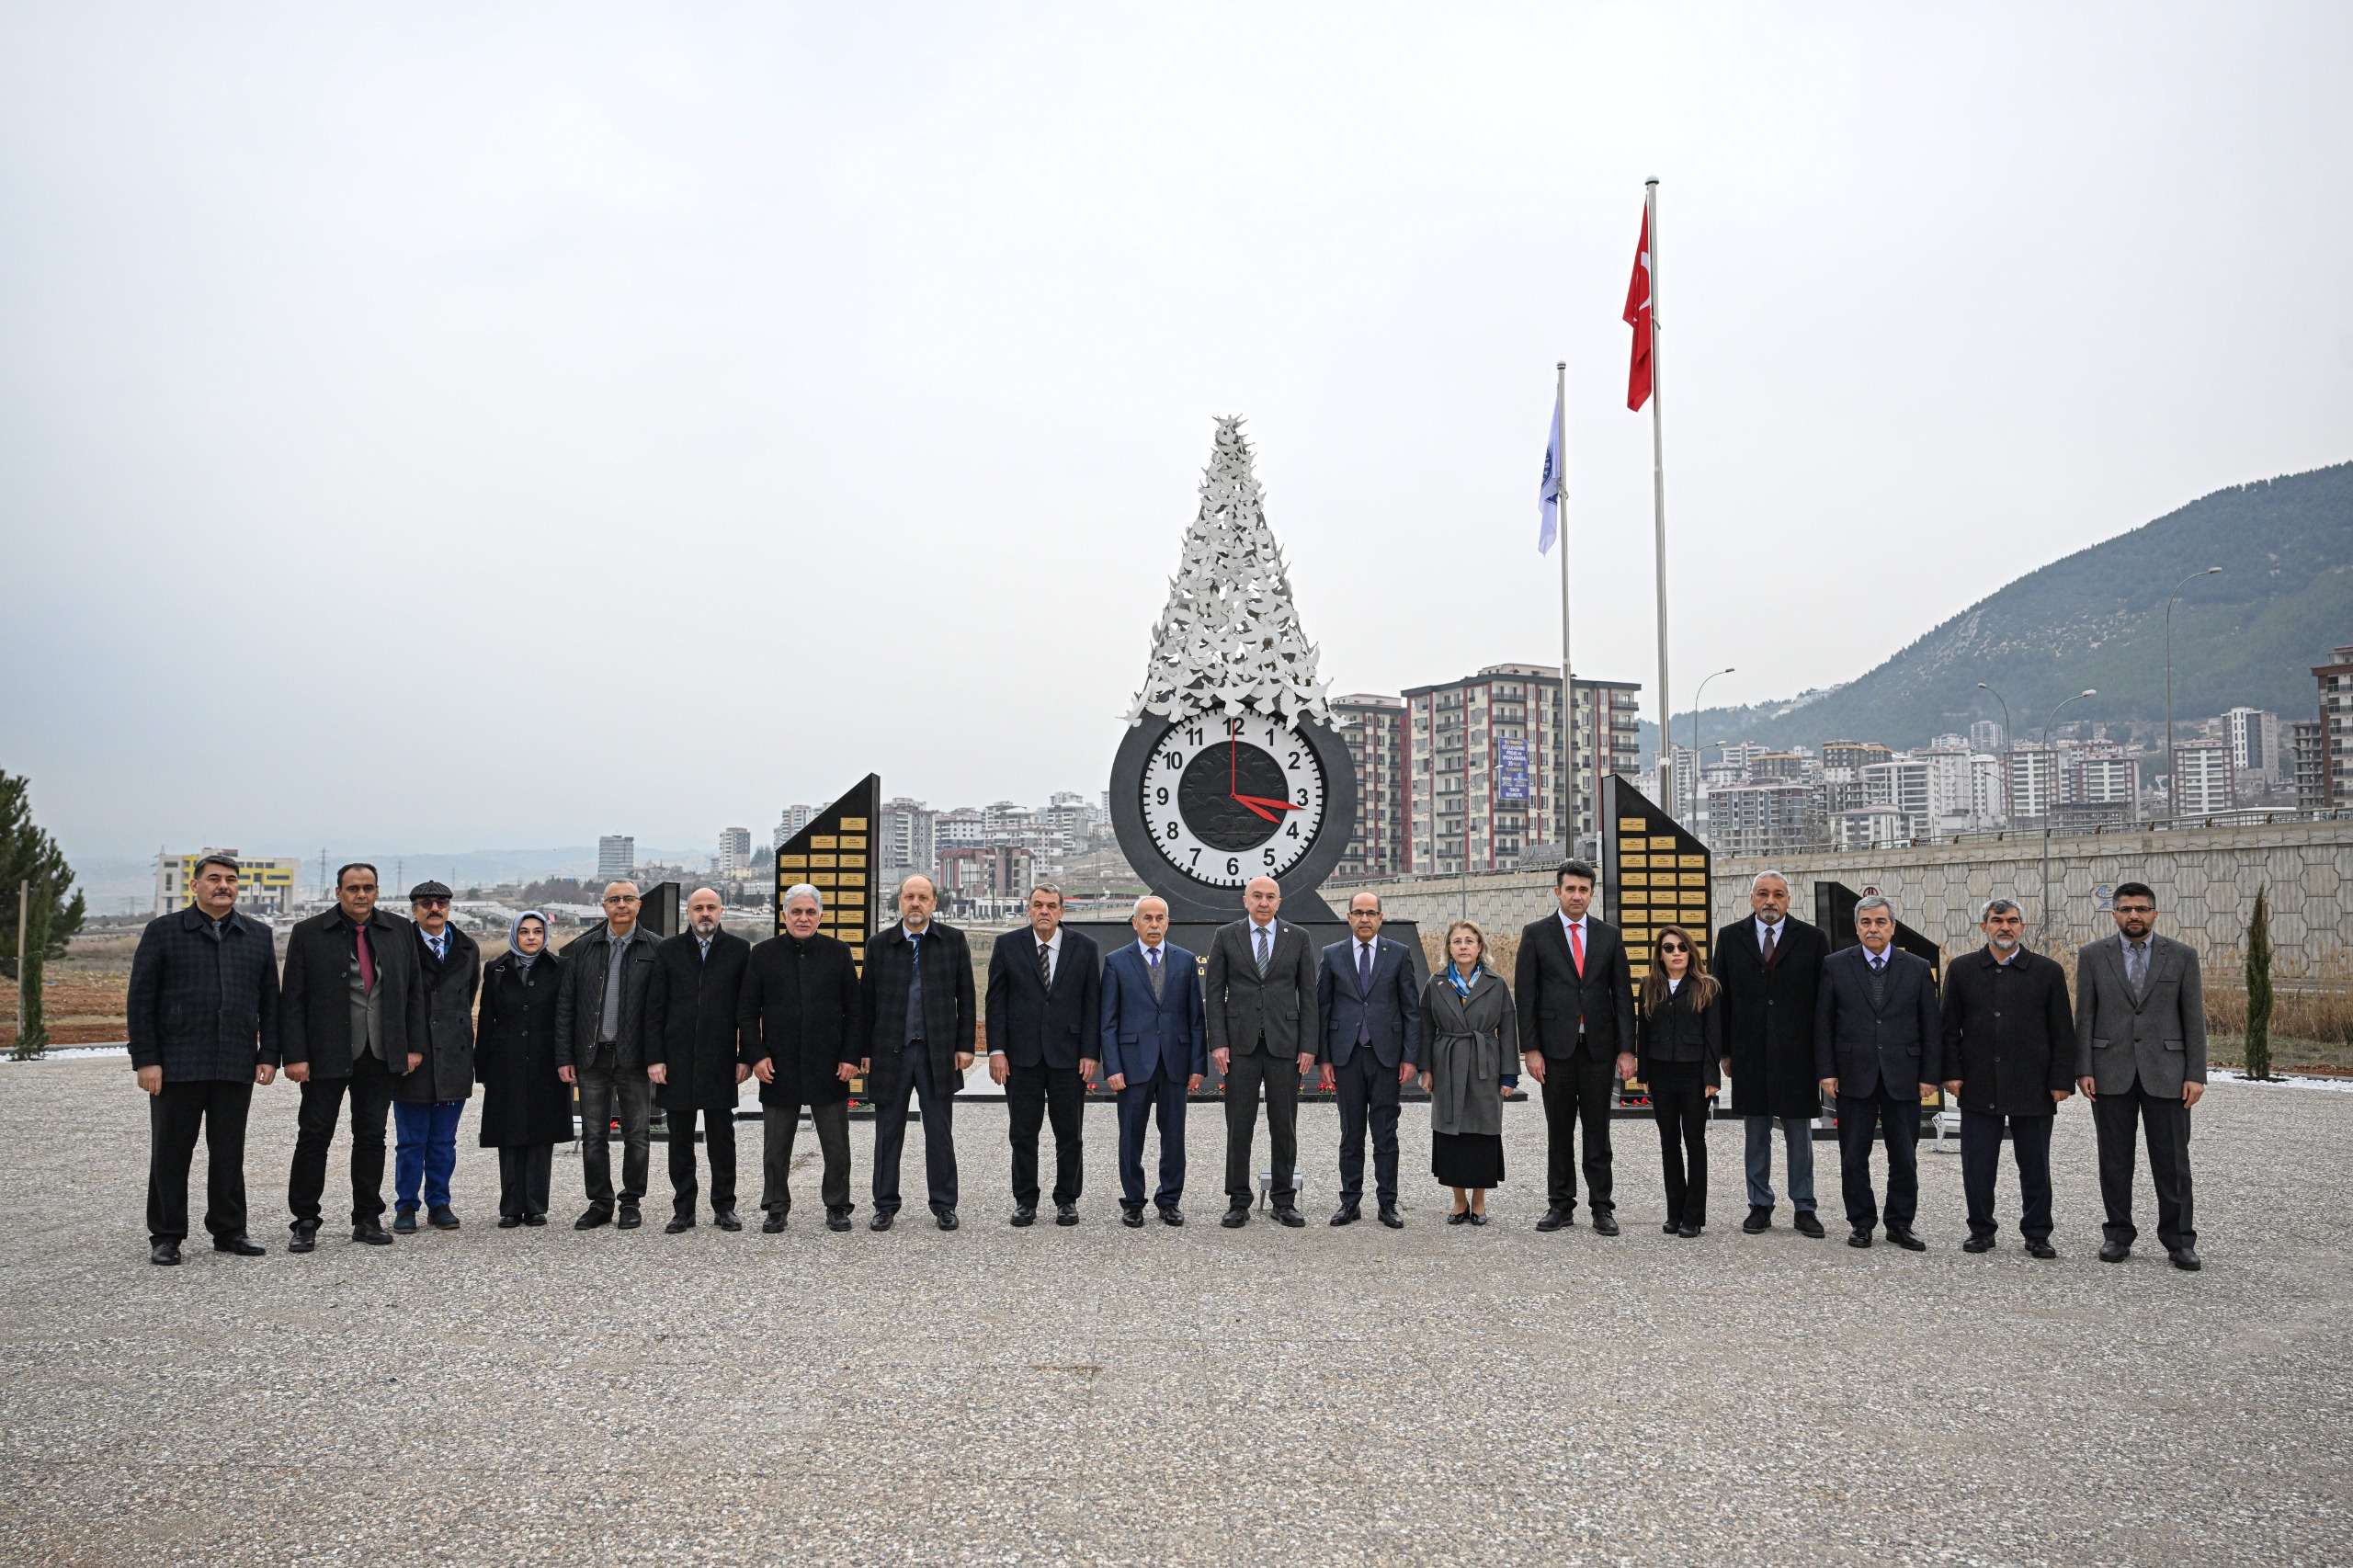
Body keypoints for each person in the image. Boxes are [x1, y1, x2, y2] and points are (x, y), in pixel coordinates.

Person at [126, 853, 278, 1265]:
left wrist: (268, 1055)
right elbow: (140, 1001)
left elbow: (271, 1004)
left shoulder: (257, 936)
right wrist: (146, 1059)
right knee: (171, 1151)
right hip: (177, 1063)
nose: (223, 886)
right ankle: (167, 1234)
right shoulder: (164, 932)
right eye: (214, 879)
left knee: (229, 1151)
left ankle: (230, 1230)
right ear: (195, 886)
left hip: (235, 1060)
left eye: (230, 879)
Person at [280, 862, 424, 1250]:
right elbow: (292, 999)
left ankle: (367, 1217)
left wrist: (412, 1046)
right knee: (314, 1137)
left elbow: (412, 993)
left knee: (371, 1137)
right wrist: (294, 1055)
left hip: (378, 1054)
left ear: (377, 891)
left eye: (369, 888)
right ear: (338, 892)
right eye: (353, 888)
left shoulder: (398, 931)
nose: (361, 895)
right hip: (324, 1055)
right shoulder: (308, 933)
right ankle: (305, 1221)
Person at [2075, 881, 2207, 1270]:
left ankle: (2180, 1240)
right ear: (2114, 914)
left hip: (2167, 1073)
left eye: (2142, 909)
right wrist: (2084, 1067)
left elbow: (2193, 1020)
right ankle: (2117, 1234)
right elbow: (2085, 1015)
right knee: (2114, 1160)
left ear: (2155, 913)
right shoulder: (2093, 956)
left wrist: (2195, 1073)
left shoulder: (2182, 956)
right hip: (2109, 1071)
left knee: (2172, 1162)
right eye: (2127, 909)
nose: (2135, 915)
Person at [1940, 898, 2074, 1258]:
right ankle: (1981, 1230)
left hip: (2033, 1083)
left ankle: (2037, 1233)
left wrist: (2062, 1078)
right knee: (1978, 1163)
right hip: (1979, 1081)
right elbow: (1948, 1028)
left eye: (2012, 921)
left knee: (2035, 1165)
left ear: (2022, 927)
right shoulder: (1963, 969)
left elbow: (2062, 1030)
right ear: (1983, 927)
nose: (2005, 927)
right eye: (1997, 920)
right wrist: (1951, 1072)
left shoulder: (2047, 971)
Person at [1516, 860, 1636, 1235]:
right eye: (1570, 889)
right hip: (1556, 1051)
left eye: (1584, 890)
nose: (1577, 896)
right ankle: (1560, 1205)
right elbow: (1527, 996)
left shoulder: (1609, 936)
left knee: (1598, 1131)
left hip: (1599, 1050)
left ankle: (1602, 1206)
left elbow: (1622, 995)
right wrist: (1531, 1050)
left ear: (1591, 893)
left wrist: (1627, 1049)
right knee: (1560, 1130)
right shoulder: (1536, 934)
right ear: (1558, 892)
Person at [1814, 894, 1941, 1250]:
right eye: (1866, 922)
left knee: (1905, 1156)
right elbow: (1823, 1023)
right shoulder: (1835, 965)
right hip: (1854, 1074)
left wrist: (1930, 1074)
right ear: (1857, 928)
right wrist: (1827, 1070)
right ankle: (1861, 1222)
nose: (1873, 928)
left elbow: (1931, 1025)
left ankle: (1900, 1224)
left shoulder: (1916, 967)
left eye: (1880, 922)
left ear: (1893, 927)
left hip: (1904, 1076)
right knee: (1853, 1155)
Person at [739, 884, 862, 1233]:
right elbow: (747, 1013)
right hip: (778, 1065)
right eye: (796, 912)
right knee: (776, 1145)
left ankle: (837, 1205)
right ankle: (776, 1206)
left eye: (810, 912)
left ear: (820, 916)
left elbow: (854, 1011)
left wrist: (850, 1055)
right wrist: (757, 1055)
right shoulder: (762, 954)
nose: (803, 918)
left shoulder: (838, 953)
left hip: (830, 1064)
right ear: (784, 916)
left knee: (836, 1145)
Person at [1714, 870, 1828, 1237]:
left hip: (1797, 1055)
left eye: (1778, 894)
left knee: (1799, 1135)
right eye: (1763, 894)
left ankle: (1804, 1206)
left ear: (1788, 900)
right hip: (1749, 1053)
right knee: (1756, 1133)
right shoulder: (1730, 938)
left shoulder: (1812, 940)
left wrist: (1821, 1057)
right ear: (1751, 899)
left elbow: (1822, 1003)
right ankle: (1759, 1204)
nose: (1770, 901)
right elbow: (1722, 999)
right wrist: (1726, 1052)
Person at [861, 874, 976, 1231]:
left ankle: (944, 1204)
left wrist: (965, 1045)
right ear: (899, 901)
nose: (915, 903)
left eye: (922, 897)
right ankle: (885, 1204)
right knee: (888, 1132)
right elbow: (866, 1004)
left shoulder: (953, 941)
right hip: (889, 1053)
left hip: (936, 1052)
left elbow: (967, 997)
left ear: (934, 902)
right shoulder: (880, 944)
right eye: (909, 896)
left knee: (939, 1132)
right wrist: (864, 1050)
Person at [1204, 875, 1319, 1228]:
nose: (1264, 903)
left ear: (1279, 902)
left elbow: (1309, 996)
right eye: (1257, 896)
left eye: (1270, 897)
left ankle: (1284, 1201)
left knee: (1283, 1125)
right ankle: (1238, 1200)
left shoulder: (1298, 938)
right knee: (1239, 1125)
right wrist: (1218, 1043)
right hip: (1239, 1046)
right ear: (1245, 901)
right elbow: (1214, 993)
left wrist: (1308, 1045)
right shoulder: (1226, 936)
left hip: (1285, 1044)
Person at [985, 883, 1101, 1226]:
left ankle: (1067, 1199)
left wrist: (1090, 1052)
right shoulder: (1007, 945)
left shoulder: (1084, 947)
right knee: (1023, 1133)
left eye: (1051, 905)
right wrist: (997, 1050)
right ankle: (1025, 1200)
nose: (1045, 911)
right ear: (1029, 909)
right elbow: (996, 1003)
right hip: (1021, 1058)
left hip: (1068, 1056)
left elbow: (1092, 1004)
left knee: (1069, 1134)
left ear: (1062, 911)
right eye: (1038, 905)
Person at [554, 881, 661, 1231]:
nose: (621, 905)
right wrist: (564, 1056)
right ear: (604, 907)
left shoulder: (656, 948)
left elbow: (663, 1008)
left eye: (628, 899)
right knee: (594, 1134)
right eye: (614, 900)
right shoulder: (584, 948)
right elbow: (566, 1005)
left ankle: (631, 1202)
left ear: (639, 905)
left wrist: (658, 1055)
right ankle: (599, 1203)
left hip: (635, 1058)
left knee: (637, 1134)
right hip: (592, 1057)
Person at [647, 888, 752, 1233]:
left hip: (720, 1060)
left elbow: (747, 1011)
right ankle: (683, 1209)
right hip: (676, 1060)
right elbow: (655, 1009)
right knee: (679, 1138)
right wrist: (656, 1058)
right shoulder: (669, 950)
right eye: (698, 908)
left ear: (721, 911)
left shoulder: (738, 950)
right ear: (687, 912)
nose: (704, 913)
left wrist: (744, 1057)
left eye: (710, 907)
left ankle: (725, 1207)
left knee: (721, 1136)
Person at [1314, 892, 1422, 1228]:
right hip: (1346, 1057)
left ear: (1380, 917)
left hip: (1386, 1057)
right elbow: (1322, 1008)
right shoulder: (1333, 955)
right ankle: (1350, 1202)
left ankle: (1387, 1203)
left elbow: (1411, 1010)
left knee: (1386, 1133)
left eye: (1370, 913)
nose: (1364, 919)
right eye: (1358, 913)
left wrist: (1410, 1057)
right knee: (1351, 1133)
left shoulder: (1399, 954)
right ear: (1348, 917)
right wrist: (1325, 1058)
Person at [1099, 895, 1207, 1226]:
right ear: (1135, 923)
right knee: (1131, 1136)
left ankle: (1169, 1200)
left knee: (1173, 1135)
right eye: (1147, 918)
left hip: (1174, 1062)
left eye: (1160, 918)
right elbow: (1108, 1021)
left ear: (1168, 923)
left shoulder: (1186, 960)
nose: (1154, 924)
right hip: (1132, 1065)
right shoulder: (1117, 962)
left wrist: (1197, 1065)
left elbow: (1195, 1018)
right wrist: (1113, 1067)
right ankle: (1133, 1201)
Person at [474, 910, 572, 1227]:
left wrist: (565, 1059)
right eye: (525, 932)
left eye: (537, 932)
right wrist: (483, 1067)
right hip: (506, 1061)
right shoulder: (496, 969)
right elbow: (487, 1019)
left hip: (546, 1062)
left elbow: (565, 1017)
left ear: (545, 937)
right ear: (514, 935)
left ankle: (535, 1206)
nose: (531, 937)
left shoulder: (560, 968)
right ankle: (510, 1207)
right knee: (510, 1132)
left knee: (541, 1135)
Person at [392, 881, 479, 1233]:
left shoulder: (468, 947)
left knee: (443, 1141)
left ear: (449, 908)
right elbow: (395, 1002)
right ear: (414, 909)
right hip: (415, 1056)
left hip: (454, 1057)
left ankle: (439, 1202)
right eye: (426, 903)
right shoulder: (400, 946)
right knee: (411, 1141)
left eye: (441, 902)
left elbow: (467, 996)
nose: (434, 908)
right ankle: (406, 1206)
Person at [1416, 920, 1516, 1225]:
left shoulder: (1495, 983)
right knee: (1451, 1132)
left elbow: (1509, 1030)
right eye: (1457, 941)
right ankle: (1459, 1201)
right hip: (1447, 1063)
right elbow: (1425, 1029)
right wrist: (1426, 1069)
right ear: (1448, 947)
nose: (1463, 946)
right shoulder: (1436, 983)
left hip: (1485, 1064)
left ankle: (1480, 1202)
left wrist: (1509, 1075)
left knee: (1483, 1131)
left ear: (1480, 947)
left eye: (1469, 941)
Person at [1639, 926, 1723, 1238]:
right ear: (1660, 954)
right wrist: (1643, 1074)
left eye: (1682, 947)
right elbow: (1643, 1033)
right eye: (1669, 947)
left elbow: (1713, 1036)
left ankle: (1693, 1215)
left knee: (1694, 1142)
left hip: (1693, 1076)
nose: (1676, 953)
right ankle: (1674, 1212)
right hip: (1661, 1075)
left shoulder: (1706, 986)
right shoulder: (1649, 985)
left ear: (1691, 952)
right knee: (1668, 1143)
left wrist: (1711, 1077)